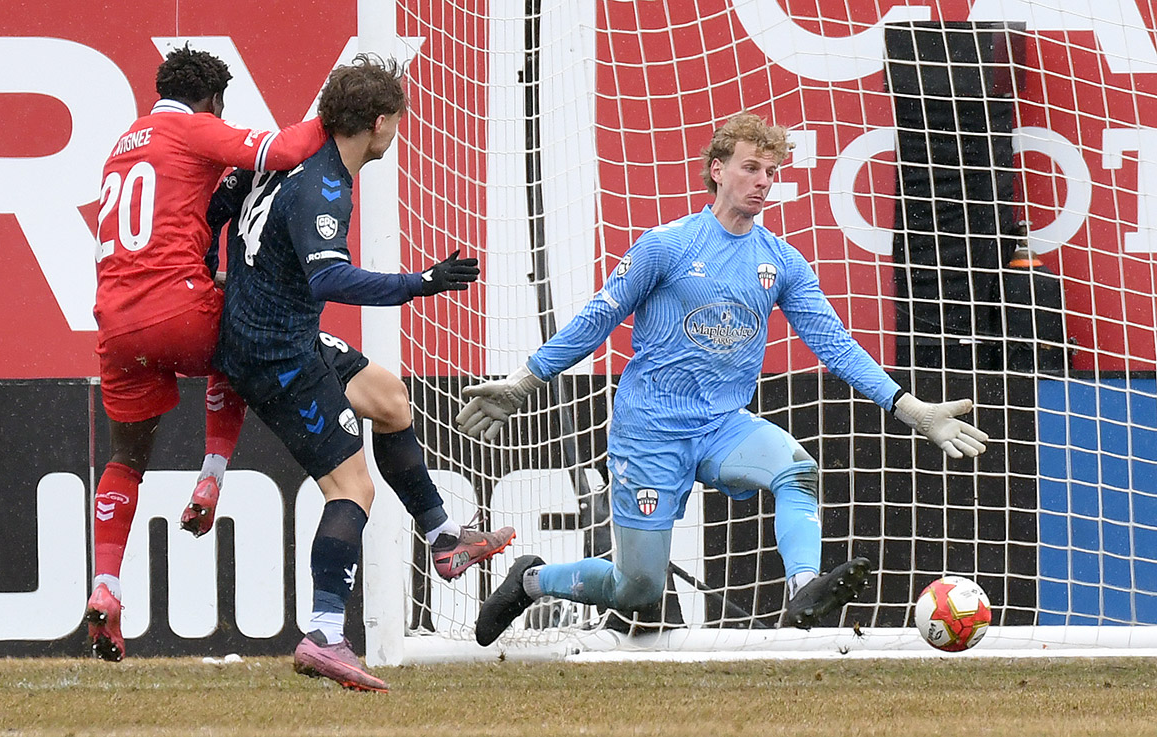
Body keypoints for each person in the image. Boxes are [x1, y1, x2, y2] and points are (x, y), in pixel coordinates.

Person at [456, 112, 990, 646]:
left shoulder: (781, 262)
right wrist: (525, 381)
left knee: (797, 469)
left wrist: (909, 408)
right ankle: (531, 578)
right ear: (716, 170)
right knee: (638, 589)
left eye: (772, 172)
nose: (763, 181)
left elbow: (834, 344)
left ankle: (805, 586)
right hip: (651, 432)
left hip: (722, 426)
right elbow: (597, 318)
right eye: (751, 167)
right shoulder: (666, 246)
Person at [210, 55, 514, 692]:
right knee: (353, 489)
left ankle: (444, 539)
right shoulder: (323, 184)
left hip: (280, 332)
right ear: (377, 124)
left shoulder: (289, 152)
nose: (396, 133)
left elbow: (225, 199)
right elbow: (329, 277)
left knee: (391, 399)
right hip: (274, 357)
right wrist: (419, 284)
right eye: (396, 123)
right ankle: (325, 633)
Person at [85, 45, 332, 662]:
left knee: (126, 458)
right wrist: (338, 110)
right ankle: (210, 481)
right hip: (175, 308)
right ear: (214, 99)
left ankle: (106, 587)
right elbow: (285, 151)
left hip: (115, 324)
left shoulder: (123, 142)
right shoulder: (194, 128)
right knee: (237, 342)